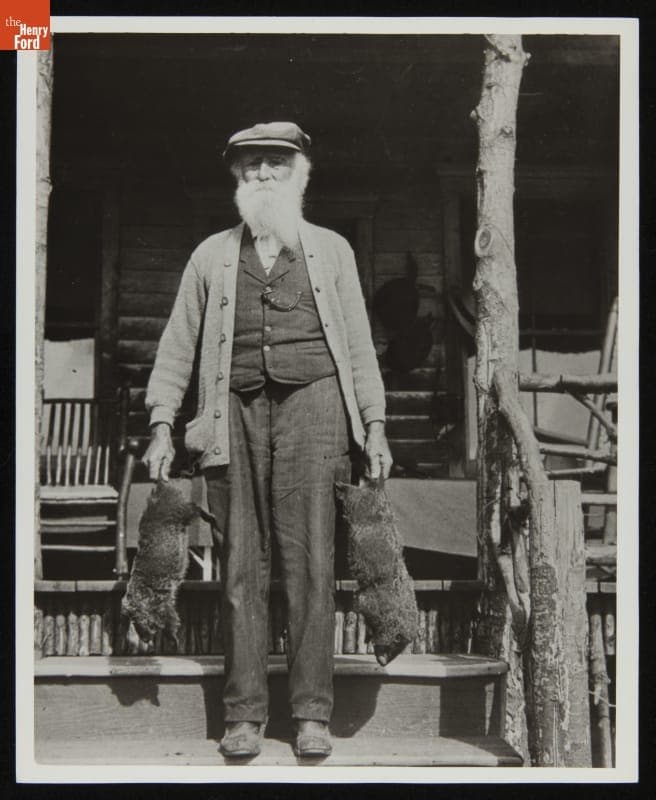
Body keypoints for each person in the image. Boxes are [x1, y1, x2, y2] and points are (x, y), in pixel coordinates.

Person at [142, 121, 392, 759]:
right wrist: (163, 422)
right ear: (235, 176)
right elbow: (177, 344)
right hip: (231, 416)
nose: (262, 174)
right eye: (250, 164)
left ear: (300, 173)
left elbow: (359, 347)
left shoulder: (332, 251)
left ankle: (312, 714)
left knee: (311, 563)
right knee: (241, 567)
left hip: (317, 411)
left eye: (276, 163)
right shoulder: (211, 256)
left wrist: (375, 424)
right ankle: (245, 713)